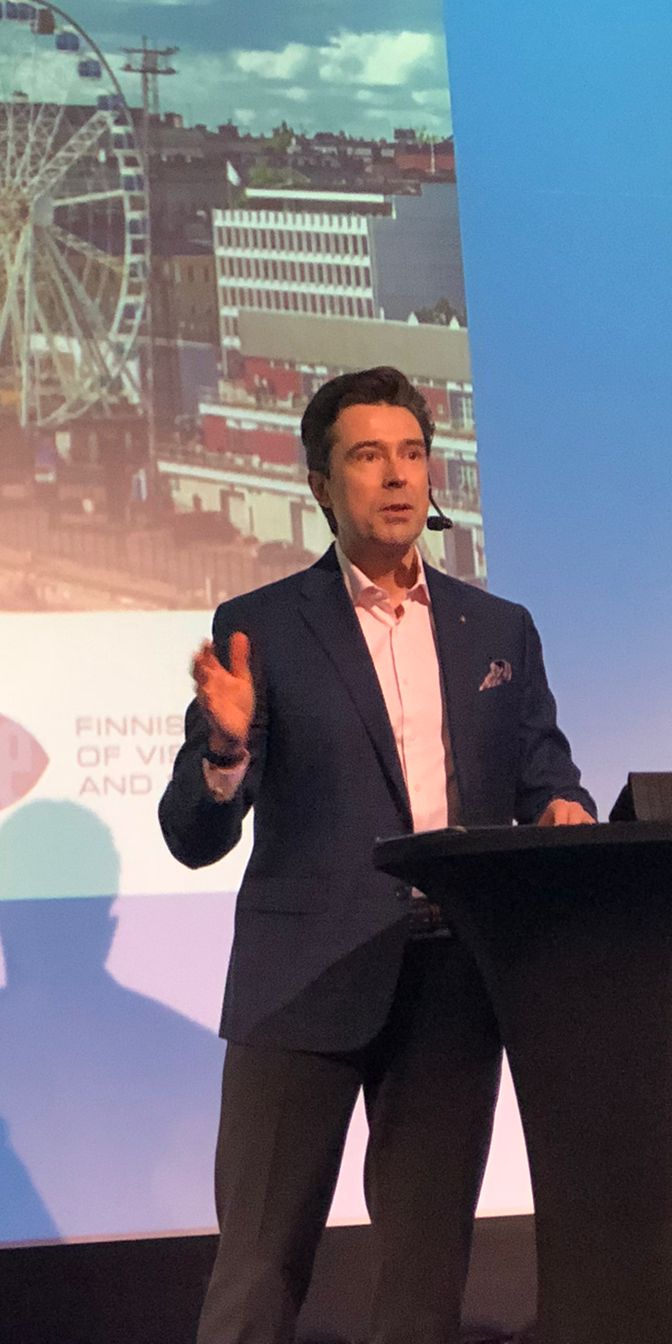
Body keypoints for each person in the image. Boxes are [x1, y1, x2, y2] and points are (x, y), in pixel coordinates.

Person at [159, 365, 593, 1344]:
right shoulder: (262, 628)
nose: (397, 475)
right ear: (321, 482)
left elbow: (545, 772)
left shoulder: (500, 629)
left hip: (453, 981)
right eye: (367, 455)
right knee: (258, 1268)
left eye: (411, 453)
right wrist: (225, 748)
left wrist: (563, 807)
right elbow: (193, 833)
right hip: (301, 979)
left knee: (426, 1279)